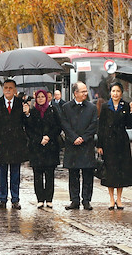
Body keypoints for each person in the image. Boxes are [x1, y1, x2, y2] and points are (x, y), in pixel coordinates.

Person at [0, 79, 28, 210]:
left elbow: (26, 125)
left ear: (15, 90)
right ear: (3, 89)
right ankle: (2, 198)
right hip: (2, 144)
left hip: (17, 144)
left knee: (15, 173)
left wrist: (27, 113)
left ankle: (15, 199)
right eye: (6, 87)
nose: (8, 90)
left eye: (11, 88)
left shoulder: (20, 103)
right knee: (2, 173)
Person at [60, 81, 98, 210]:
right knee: (73, 174)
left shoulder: (92, 108)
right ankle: (74, 200)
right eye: (82, 91)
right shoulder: (66, 107)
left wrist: (83, 138)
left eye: (86, 91)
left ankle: (86, 200)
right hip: (72, 145)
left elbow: (93, 125)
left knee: (88, 174)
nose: (85, 94)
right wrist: (74, 137)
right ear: (75, 93)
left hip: (86, 145)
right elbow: (65, 125)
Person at [24, 89, 62, 208]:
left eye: (42, 97)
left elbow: (58, 126)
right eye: (38, 97)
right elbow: (28, 128)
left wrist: (48, 137)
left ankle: (49, 198)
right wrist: (39, 138)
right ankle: (40, 198)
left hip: (50, 147)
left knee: (50, 174)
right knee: (38, 174)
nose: (40, 99)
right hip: (37, 147)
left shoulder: (52, 110)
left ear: (46, 98)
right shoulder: (33, 112)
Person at [97, 82, 132, 209]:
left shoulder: (126, 106)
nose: (115, 93)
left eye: (117, 91)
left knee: (121, 170)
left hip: (122, 142)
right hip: (108, 142)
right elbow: (101, 126)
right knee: (110, 170)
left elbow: (129, 125)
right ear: (110, 93)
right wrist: (99, 144)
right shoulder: (105, 106)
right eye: (113, 91)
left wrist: (131, 112)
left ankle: (119, 198)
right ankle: (111, 198)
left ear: (121, 93)